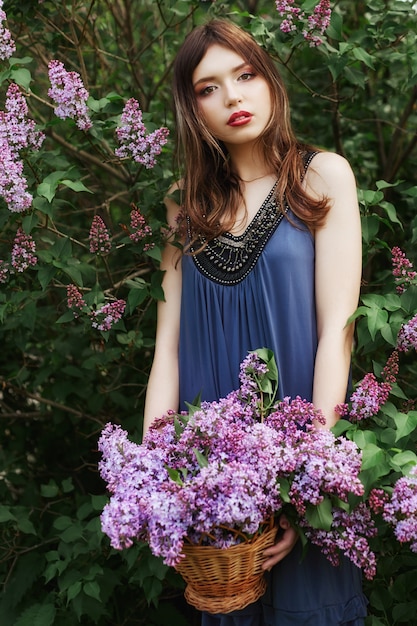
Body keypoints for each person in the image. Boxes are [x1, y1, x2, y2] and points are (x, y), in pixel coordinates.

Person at [143, 18, 367, 626]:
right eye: (208, 87)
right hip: (211, 481)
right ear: (194, 108)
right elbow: (167, 351)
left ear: (269, 78)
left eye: (244, 75)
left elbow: (335, 335)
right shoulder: (181, 205)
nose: (234, 97)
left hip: (298, 453)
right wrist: (157, 482)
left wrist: (302, 486)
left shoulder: (322, 176)